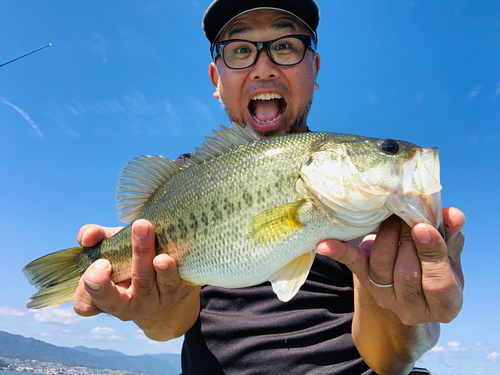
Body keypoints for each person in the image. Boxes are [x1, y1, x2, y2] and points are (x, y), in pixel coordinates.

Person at [73, 1, 466, 374]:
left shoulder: (375, 207)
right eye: (240, 50)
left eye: (284, 46)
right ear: (216, 78)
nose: (264, 67)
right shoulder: (181, 185)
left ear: (313, 70)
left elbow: (391, 362)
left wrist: (401, 305)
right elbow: (164, 328)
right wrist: (150, 302)